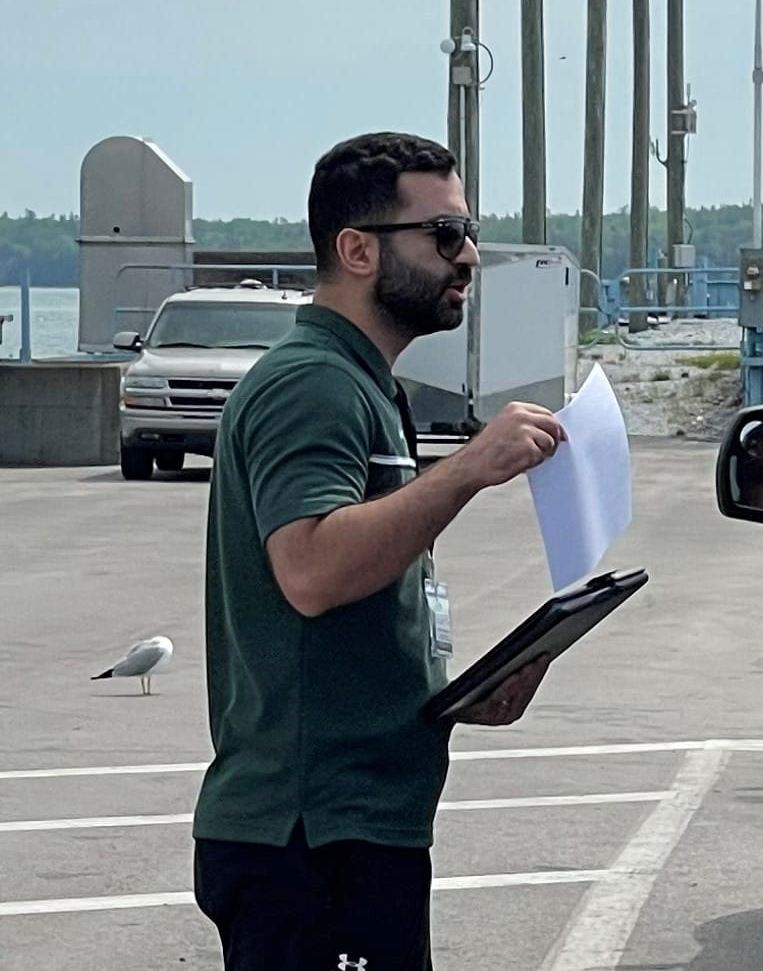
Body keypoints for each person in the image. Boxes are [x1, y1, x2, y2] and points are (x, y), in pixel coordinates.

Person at [193, 131, 565, 971]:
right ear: (357, 249)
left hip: (360, 826)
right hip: (312, 837)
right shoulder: (312, 382)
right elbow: (313, 569)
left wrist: (448, 696)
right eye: (442, 235)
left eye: (469, 232)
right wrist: (469, 469)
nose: (467, 255)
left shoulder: (361, 381)